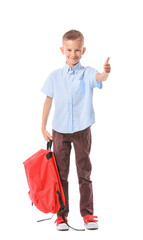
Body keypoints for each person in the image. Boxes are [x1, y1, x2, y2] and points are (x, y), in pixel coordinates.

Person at [41, 29, 111, 231]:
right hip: (60, 131)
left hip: (82, 130)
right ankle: (61, 216)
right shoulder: (55, 76)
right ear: (63, 50)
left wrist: (106, 71)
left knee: (84, 172)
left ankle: (88, 215)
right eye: (69, 50)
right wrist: (42, 126)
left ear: (83, 50)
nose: (73, 54)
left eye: (77, 50)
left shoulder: (88, 73)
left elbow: (101, 77)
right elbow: (48, 100)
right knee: (61, 174)